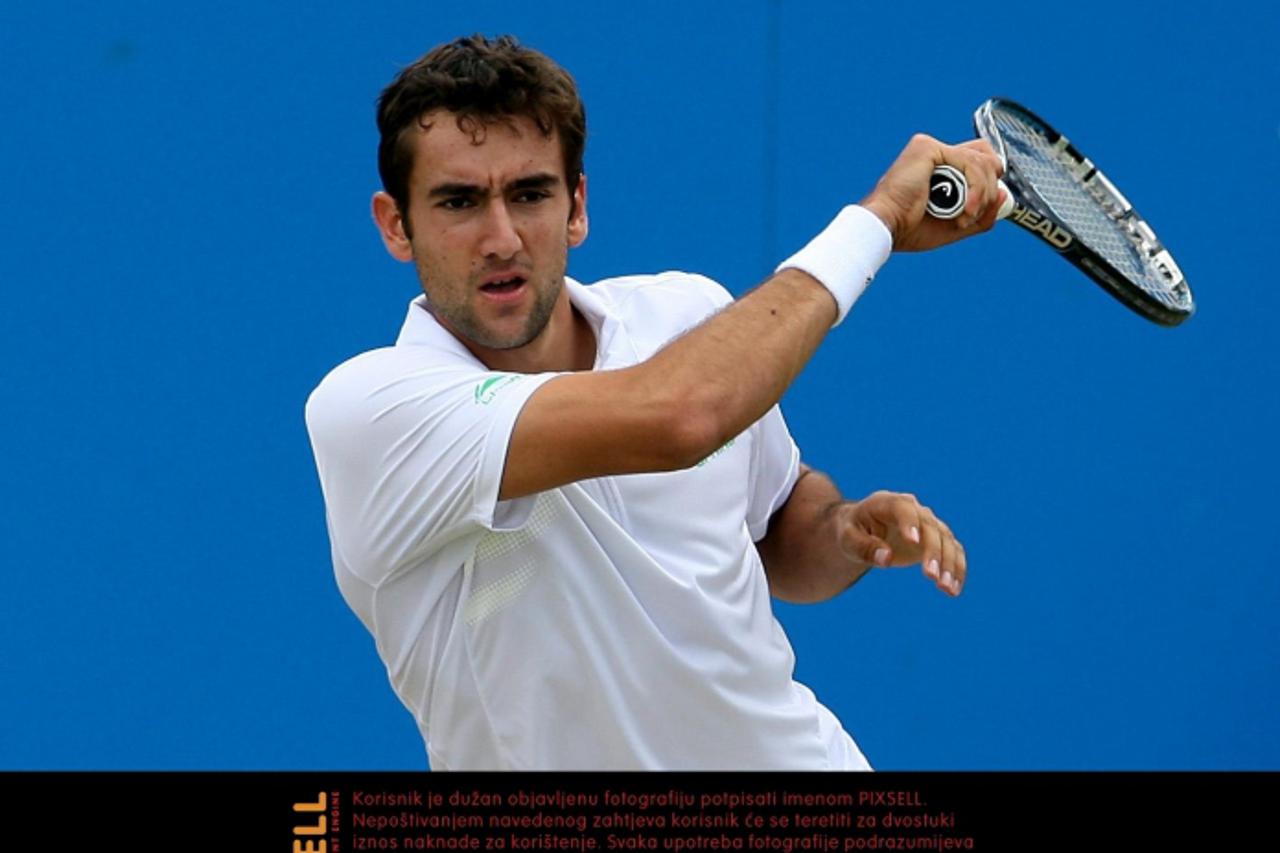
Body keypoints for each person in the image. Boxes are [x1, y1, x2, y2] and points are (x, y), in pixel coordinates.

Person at [305, 34, 1005, 770]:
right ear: (395, 225)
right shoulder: (370, 411)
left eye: (531, 193)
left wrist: (841, 530)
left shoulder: (685, 316)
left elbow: (772, 527)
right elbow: (682, 417)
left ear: (576, 206)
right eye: (459, 201)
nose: (501, 237)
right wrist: (878, 222)